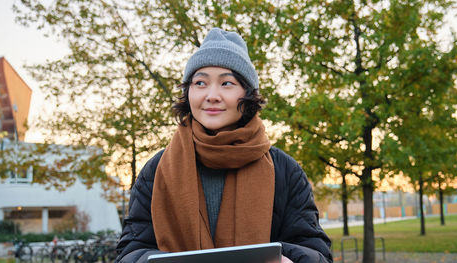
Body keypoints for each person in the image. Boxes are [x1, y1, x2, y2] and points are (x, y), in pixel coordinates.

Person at [115, 28, 332, 263]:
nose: (212, 95)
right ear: (188, 92)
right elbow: (130, 251)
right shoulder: (156, 170)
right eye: (200, 82)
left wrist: (289, 259)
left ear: (248, 94)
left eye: (227, 83)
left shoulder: (285, 171)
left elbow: (316, 251)